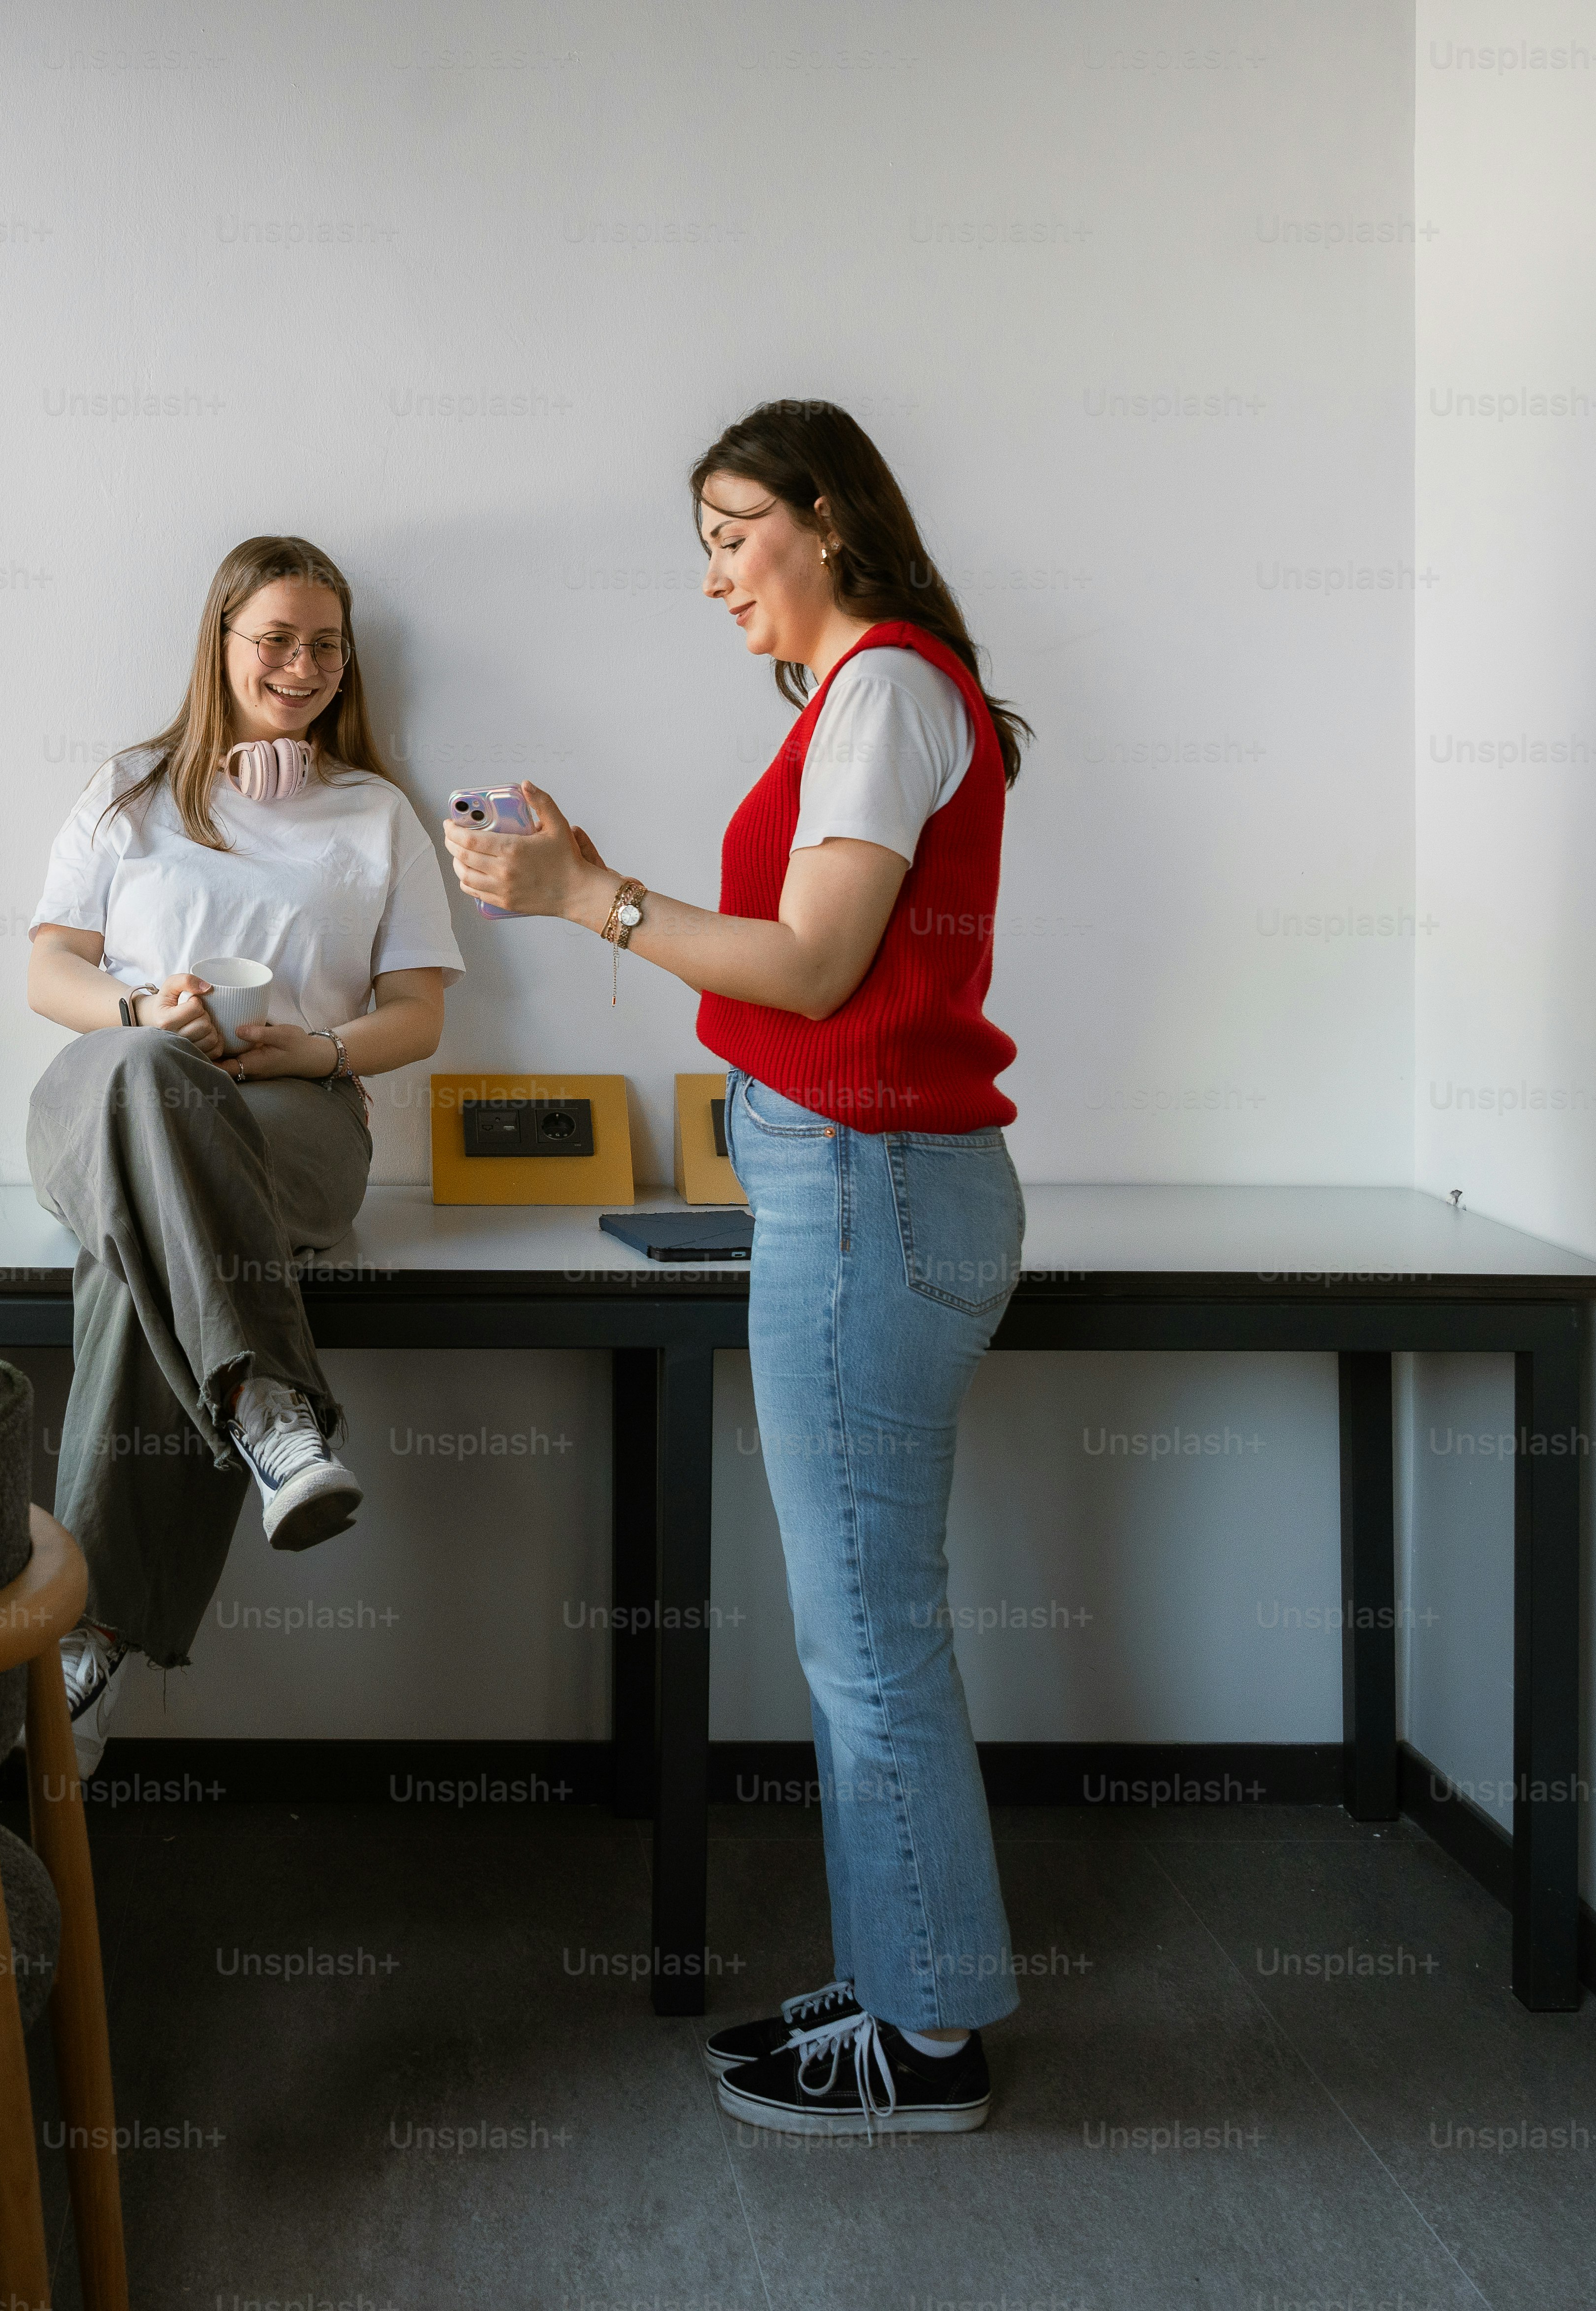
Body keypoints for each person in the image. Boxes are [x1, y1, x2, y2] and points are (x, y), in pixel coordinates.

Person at [444, 401, 1034, 2138]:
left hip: (869, 1194)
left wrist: (587, 895)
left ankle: (927, 2044)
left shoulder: (884, 691)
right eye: (698, 541)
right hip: (858, 1186)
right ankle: (896, 1996)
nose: (711, 578)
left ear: (827, 517)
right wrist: (580, 885)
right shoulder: (877, 698)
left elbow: (808, 961)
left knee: (864, 1638)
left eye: (729, 530)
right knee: (858, 1626)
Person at [23, 535, 464, 1752]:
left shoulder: (377, 814)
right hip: (108, 1084)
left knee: (138, 1249)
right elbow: (47, 966)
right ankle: (269, 1406)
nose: (304, 663)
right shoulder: (128, 789)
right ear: (220, 641)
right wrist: (136, 1015)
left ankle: (86, 1637)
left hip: (294, 1115)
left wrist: (314, 1052)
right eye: (277, 637)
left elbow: (420, 1014)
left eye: (326, 643)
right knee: (145, 1085)